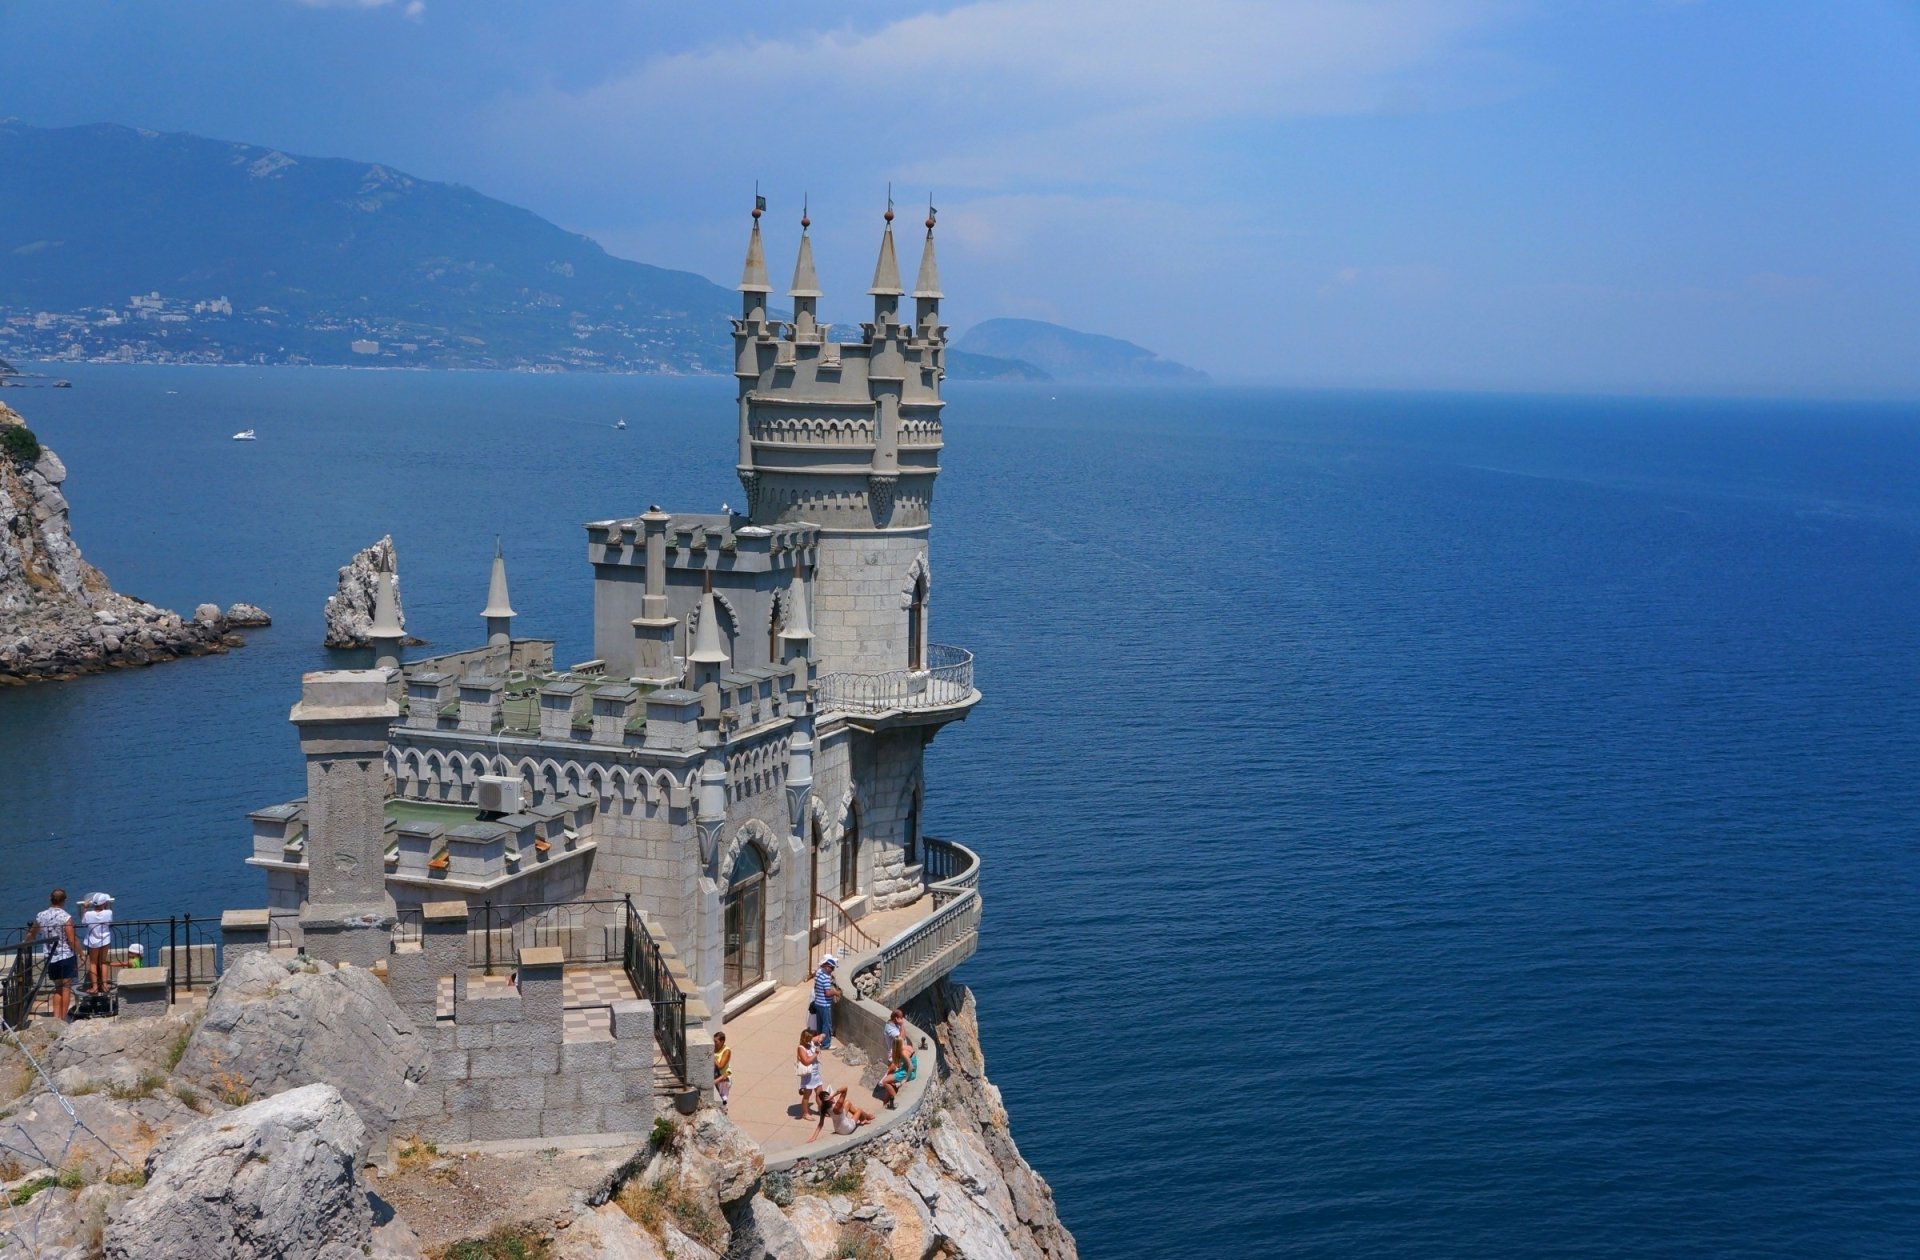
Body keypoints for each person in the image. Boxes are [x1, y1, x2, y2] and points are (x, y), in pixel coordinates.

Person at [28, 889, 81, 1022]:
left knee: (57, 988)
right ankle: (64, 1018)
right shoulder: (66, 917)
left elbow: (32, 934)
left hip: (50, 957)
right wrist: (81, 953)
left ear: (50, 899)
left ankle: (56, 1018)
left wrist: (24, 943)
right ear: (64, 900)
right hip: (66, 956)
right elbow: (72, 939)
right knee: (66, 988)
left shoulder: (41, 916)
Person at [808, 1085, 875, 1142]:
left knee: (847, 1102)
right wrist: (833, 1095)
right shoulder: (837, 1105)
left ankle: (866, 1117)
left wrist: (813, 1137)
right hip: (847, 1128)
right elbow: (845, 1088)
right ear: (829, 1097)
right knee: (859, 1110)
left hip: (838, 1128)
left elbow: (820, 1124)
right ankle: (864, 1119)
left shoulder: (824, 1108)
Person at [80, 893, 114, 995]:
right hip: (105, 940)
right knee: (103, 962)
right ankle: (105, 985)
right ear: (104, 903)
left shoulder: (88, 914)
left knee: (93, 963)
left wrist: (85, 909)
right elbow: (110, 922)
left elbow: (84, 923)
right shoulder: (109, 912)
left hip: (93, 941)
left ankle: (94, 987)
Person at [878, 1031, 919, 1110]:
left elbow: (911, 1066)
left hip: (908, 1072)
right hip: (906, 1069)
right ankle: (886, 1102)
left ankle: (895, 1100)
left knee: (885, 1082)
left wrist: (905, 1079)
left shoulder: (903, 1052)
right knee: (888, 1087)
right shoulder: (908, 1047)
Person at [810, 955, 841, 1050]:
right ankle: (826, 1044)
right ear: (827, 966)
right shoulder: (826, 978)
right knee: (826, 1025)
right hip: (825, 1005)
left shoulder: (819, 974)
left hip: (818, 1003)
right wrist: (836, 992)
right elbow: (828, 993)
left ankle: (819, 1041)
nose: (832, 970)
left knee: (819, 1023)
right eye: (832, 968)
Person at [795, 1029, 823, 1117]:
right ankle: (805, 1113)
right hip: (808, 1075)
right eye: (810, 1038)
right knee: (807, 1094)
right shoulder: (801, 1048)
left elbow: (820, 1037)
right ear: (806, 1039)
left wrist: (822, 1036)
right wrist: (815, 1054)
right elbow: (806, 1061)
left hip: (816, 1073)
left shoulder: (810, 1043)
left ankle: (821, 1110)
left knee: (820, 1092)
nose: (812, 1040)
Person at [712, 1030, 732, 1110]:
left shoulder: (726, 1051)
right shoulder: (714, 1048)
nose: (714, 1043)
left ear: (722, 1041)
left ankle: (724, 1108)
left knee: (722, 1096)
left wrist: (712, 1056)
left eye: (716, 1041)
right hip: (715, 1074)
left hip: (724, 1077)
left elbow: (721, 1066)